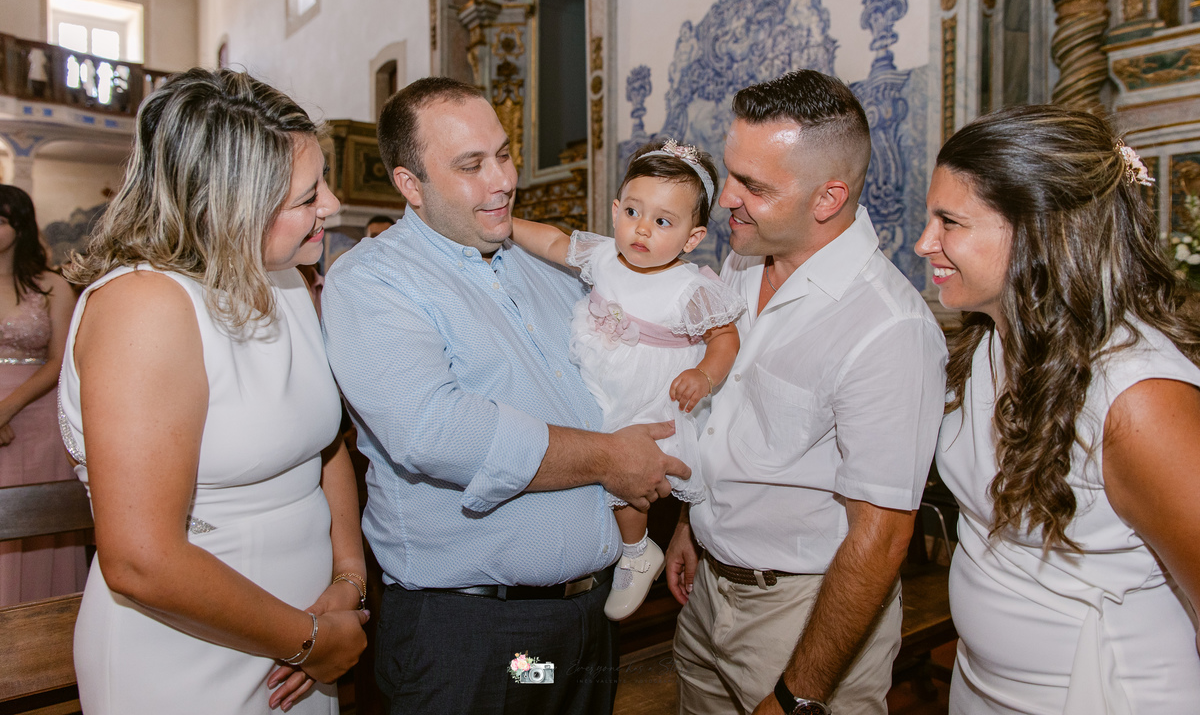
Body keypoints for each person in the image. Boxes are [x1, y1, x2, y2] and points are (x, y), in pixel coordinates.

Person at [320, 76, 690, 715]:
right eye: (471, 166)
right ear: (410, 184)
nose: (502, 181)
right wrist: (611, 457)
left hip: (585, 618)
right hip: (481, 635)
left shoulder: (543, 263)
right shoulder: (373, 280)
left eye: (504, 154)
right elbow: (435, 431)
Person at [60, 68, 370, 715]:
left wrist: (347, 580)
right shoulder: (145, 307)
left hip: (309, 633)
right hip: (185, 653)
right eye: (307, 196)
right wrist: (308, 639)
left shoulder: (284, 277)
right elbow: (140, 559)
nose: (334, 205)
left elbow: (324, 445)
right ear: (229, 207)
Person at [664, 69, 948, 715]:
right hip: (706, 591)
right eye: (731, 173)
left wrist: (799, 695)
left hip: (803, 613)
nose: (725, 198)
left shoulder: (888, 328)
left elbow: (880, 538)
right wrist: (690, 523)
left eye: (754, 186)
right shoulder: (741, 263)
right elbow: (720, 415)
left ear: (828, 198)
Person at [915, 105, 1200, 714]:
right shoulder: (987, 340)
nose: (924, 243)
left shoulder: (1137, 398)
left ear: (1039, 232)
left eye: (950, 222)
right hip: (983, 688)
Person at [511, 139, 744, 621]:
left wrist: (704, 374)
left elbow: (725, 338)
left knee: (625, 467)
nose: (642, 228)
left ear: (692, 238)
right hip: (593, 377)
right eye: (633, 212)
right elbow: (553, 241)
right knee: (574, 450)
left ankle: (636, 553)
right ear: (616, 210)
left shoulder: (691, 287)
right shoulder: (603, 256)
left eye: (663, 221)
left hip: (646, 395)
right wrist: (504, 224)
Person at [0, 185, 85, 606]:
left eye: (0, 221)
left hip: (35, 414)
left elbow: (59, 360)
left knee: (35, 517)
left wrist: (6, 408)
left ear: (20, 227)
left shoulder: (51, 285)